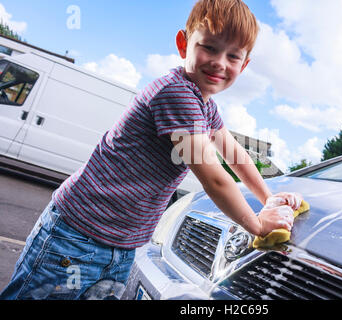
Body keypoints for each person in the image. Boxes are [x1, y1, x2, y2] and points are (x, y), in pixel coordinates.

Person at [0, 0, 302, 300]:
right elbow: (214, 178)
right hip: (76, 237)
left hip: (121, 246)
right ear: (183, 44)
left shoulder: (206, 106)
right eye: (209, 47)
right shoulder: (176, 94)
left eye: (233, 55)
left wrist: (268, 197)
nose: (220, 62)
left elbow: (235, 154)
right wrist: (257, 225)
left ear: (244, 64)